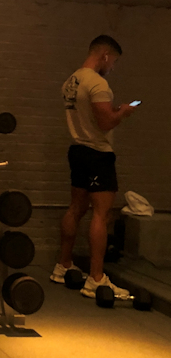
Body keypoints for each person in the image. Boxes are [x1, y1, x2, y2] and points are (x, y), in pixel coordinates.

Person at [52, 35, 137, 299]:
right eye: (114, 61)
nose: (113, 67)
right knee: (101, 214)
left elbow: (91, 116)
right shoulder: (98, 83)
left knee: (76, 208)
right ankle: (96, 279)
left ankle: (62, 265)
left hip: (77, 150)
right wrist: (122, 112)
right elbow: (105, 123)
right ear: (105, 56)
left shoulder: (71, 81)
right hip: (97, 153)